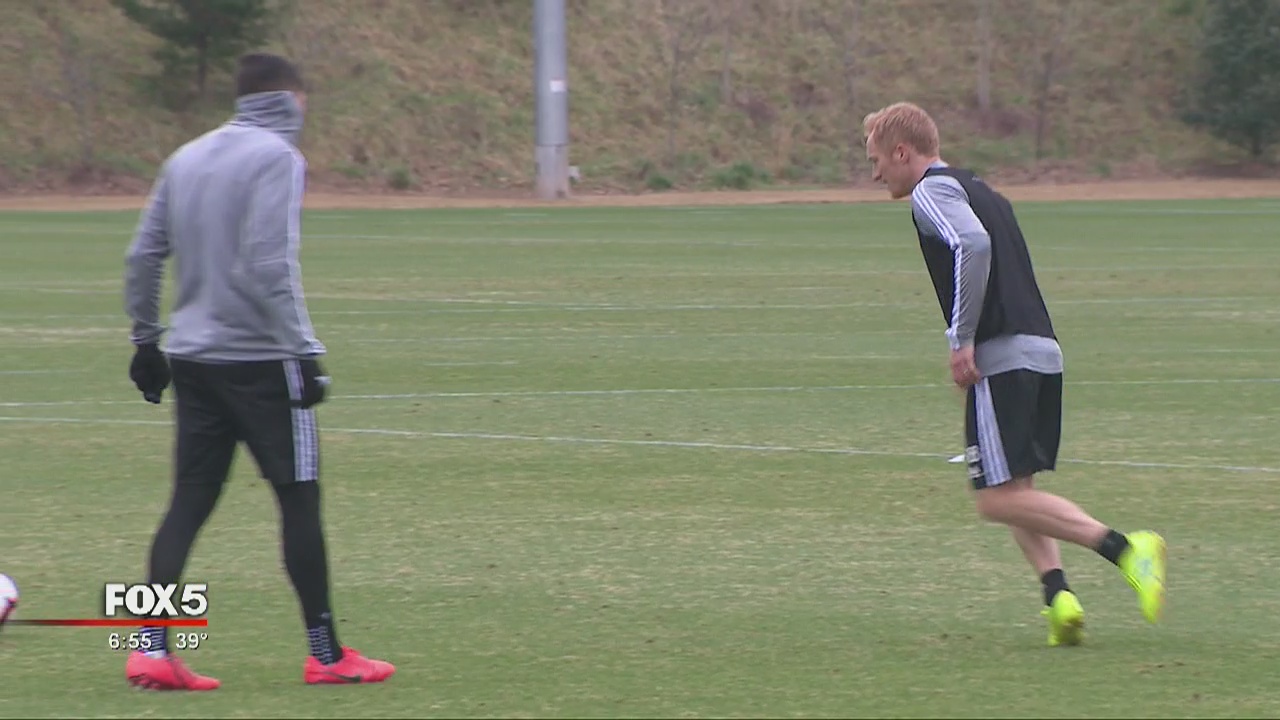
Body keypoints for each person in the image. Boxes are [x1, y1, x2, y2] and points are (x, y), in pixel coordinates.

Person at [122, 53, 395, 689]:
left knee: (187, 503)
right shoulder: (278, 158)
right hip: (261, 360)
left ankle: (149, 650)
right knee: (299, 500)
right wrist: (302, 348)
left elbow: (142, 255)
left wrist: (145, 340)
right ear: (292, 101)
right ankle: (326, 655)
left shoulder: (184, 157)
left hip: (192, 357)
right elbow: (270, 263)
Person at [860, 101, 1166, 647]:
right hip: (1042, 350)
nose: (874, 173)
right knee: (1015, 488)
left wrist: (961, 340)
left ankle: (1127, 548)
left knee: (993, 500)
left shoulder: (932, 190)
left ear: (902, 152)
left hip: (1001, 356)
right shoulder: (981, 188)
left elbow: (971, 247)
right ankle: (1058, 599)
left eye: (877, 159)